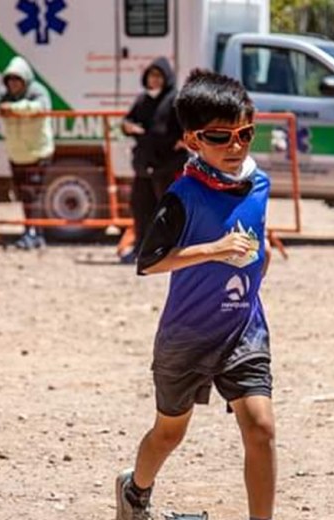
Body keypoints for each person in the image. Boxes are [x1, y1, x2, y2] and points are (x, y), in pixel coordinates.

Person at [115, 69, 275, 520]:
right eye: (220, 137)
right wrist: (214, 251)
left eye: (245, 133)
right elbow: (149, 261)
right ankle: (134, 491)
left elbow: (255, 236)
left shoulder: (258, 184)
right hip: (186, 335)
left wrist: (259, 261)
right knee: (169, 433)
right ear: (192, 140)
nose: (236, 146)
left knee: (261, 427)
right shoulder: (182, 194)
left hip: (243, 328)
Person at [120, 57, 188, 263]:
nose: (154, 80)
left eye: (159, 75)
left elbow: (186, 127)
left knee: (166, 210)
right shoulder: (143, 99)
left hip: (167, 165)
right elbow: (128, 120)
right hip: (144, 165)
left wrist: (184, 140)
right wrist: (128, 127)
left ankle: (168, 251)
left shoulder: (175, 100)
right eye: (151, 75)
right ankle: (141, 248)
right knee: (140, 207)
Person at [0, 56, 53, 250]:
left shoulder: (37, 92)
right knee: (24, 195)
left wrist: (11, 109)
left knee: (34, 195)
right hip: (17, 154)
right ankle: (33, 232)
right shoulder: (4, 95)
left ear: (25, 80)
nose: (13, 84)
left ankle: (34, 233)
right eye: (10, 80)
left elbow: (40, 107)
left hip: (38, 153)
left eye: (17, 79)